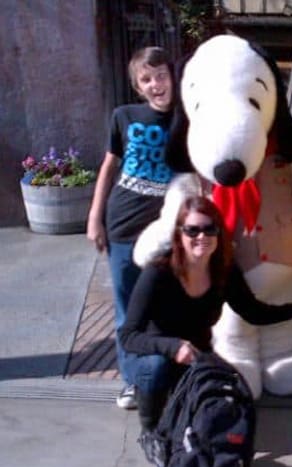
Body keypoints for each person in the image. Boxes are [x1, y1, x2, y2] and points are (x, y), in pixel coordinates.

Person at [120, 196, 292, 460]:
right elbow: (128, 336)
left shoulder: (224, 270)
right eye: (193, 230)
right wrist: (172, 346)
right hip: (160, 355)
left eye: (210, 229)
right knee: (155, 368)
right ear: (180, 234)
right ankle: (150, 433)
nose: (202, 236)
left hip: (196, 356)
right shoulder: (158, 273)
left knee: (222, 393)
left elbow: (254, 312)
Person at [87, 47, 177, 409]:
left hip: (166, 232)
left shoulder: (188, 119)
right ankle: (132, 382)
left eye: (161, 75)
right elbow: (109, 168)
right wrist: (95, 216)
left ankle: (164, 378)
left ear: (173, 76)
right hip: (122, 224)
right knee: (127, 310)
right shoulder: (124, 116)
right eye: (146, 79)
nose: (156, 84)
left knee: (165, 305)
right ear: (138, 87)